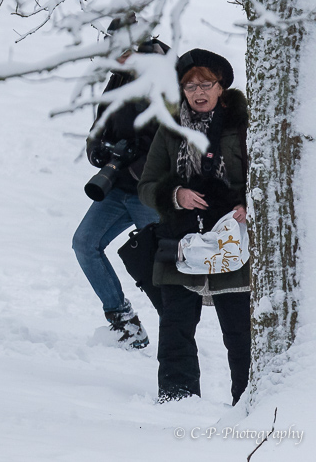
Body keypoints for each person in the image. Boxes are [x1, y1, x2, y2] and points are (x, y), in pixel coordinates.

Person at [138, 48, 250, 404]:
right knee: (175, 329)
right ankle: (177, 400)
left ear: (221, 87)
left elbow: (266, 176)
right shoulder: (169, 129)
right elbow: (146, 186)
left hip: (232, 242)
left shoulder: (244, 125)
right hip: (179, 241)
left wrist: (247, 204)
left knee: (241, 333)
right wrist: (176, 194)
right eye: (190, 86)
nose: (198, 92)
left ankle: (249, 402)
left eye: (206, 84)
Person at [72, 26, 168, 349]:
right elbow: (102, 125)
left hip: (148, 191)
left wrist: (135, 154)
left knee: (161, 266)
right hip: (117, 187)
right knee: (85, 243)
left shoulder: (163, 77)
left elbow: (171, 138)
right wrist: (97, 147)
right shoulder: (119, 76)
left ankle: (176, 332)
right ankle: (123, 322)